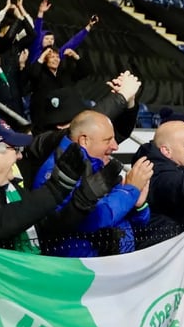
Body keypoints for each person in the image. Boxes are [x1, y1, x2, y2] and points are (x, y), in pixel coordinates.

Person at [0, 117, 115, 250]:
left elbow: (47, 227)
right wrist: (56, 189)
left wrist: (83, 200)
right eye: (15, 149)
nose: (19, 156)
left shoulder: (9, 188)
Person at [33, 110, 153, 256]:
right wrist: (129, 191)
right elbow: (91, 221)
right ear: (84, 140)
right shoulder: (58, 171)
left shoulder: (98, 165)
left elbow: (129, 223)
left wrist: (138, 206)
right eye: (108, 140)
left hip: (114, 263)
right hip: (82, 268)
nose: (115, 146)